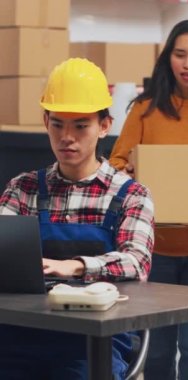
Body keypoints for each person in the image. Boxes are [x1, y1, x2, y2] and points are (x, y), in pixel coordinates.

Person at [0, 58, 154, 380]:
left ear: (104, 126)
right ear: (45, 121)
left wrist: (76, 265)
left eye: (80, 125)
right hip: (21, 336)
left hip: (95, 343)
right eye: (57, 124)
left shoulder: (131, 195)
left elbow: (137, 263)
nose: (67, 137)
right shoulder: (22, 188)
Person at [109, 19, 188, 380]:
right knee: (156, 351)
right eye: (180, 54)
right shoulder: (146, 109)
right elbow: (117, 165)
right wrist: (134, 171)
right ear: (168, 58)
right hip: (154, 249)